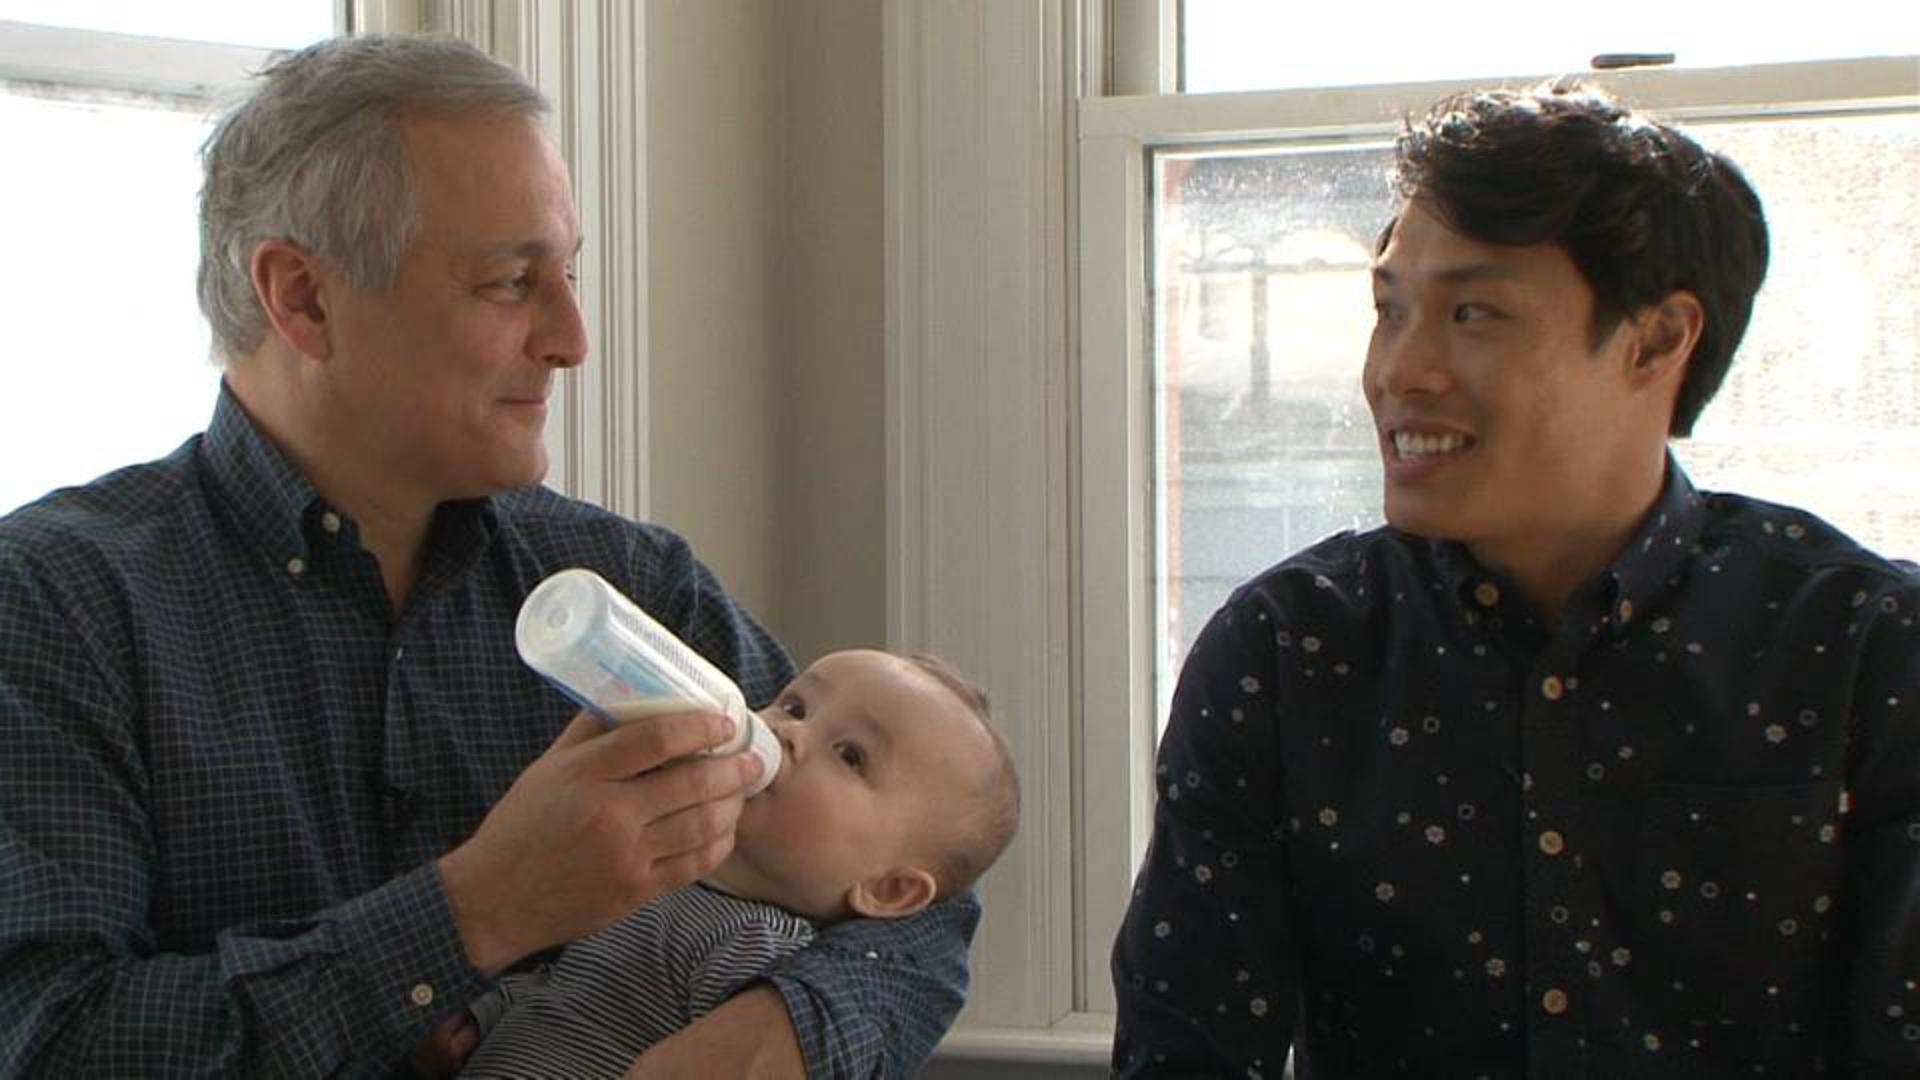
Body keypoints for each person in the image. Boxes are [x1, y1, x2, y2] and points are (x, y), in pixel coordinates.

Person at [0, 33, 978, 1078]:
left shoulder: (637, 588)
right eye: (512, 282)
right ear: (304, 297)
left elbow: (919, 888)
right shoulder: (55, 609)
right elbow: (47, 1038)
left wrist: (778, 1037)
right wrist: (478, 910)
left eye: (569, 272)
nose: (573, 339)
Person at [1112, 82, 1920, 1077]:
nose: (1398, 371)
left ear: (1658, 339)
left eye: (1473, 313)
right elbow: (1183, 1050)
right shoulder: (1285, 651)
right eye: (1389, 310)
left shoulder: (1864, 646)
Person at [408, 650, 1020, 1078]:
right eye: (794, 706)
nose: (787, 734)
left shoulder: (760, 948)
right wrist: (482, 1016)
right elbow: (564, 990)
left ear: (888, 890)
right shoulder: (642, 880)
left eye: (851, 755)